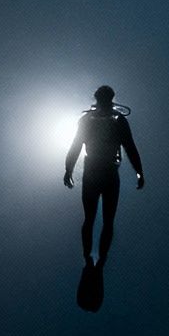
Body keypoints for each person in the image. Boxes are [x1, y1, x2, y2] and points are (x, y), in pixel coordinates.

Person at [63, 85, 144, 266]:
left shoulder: (97, 120)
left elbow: (130, 147)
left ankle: (95, 258)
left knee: (99, 219)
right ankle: (91, 257)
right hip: (103, 171)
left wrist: (68, 169)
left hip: (100, 171)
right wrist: (68, 169)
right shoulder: (110, 120)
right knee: (99, 219)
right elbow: (129, 148)